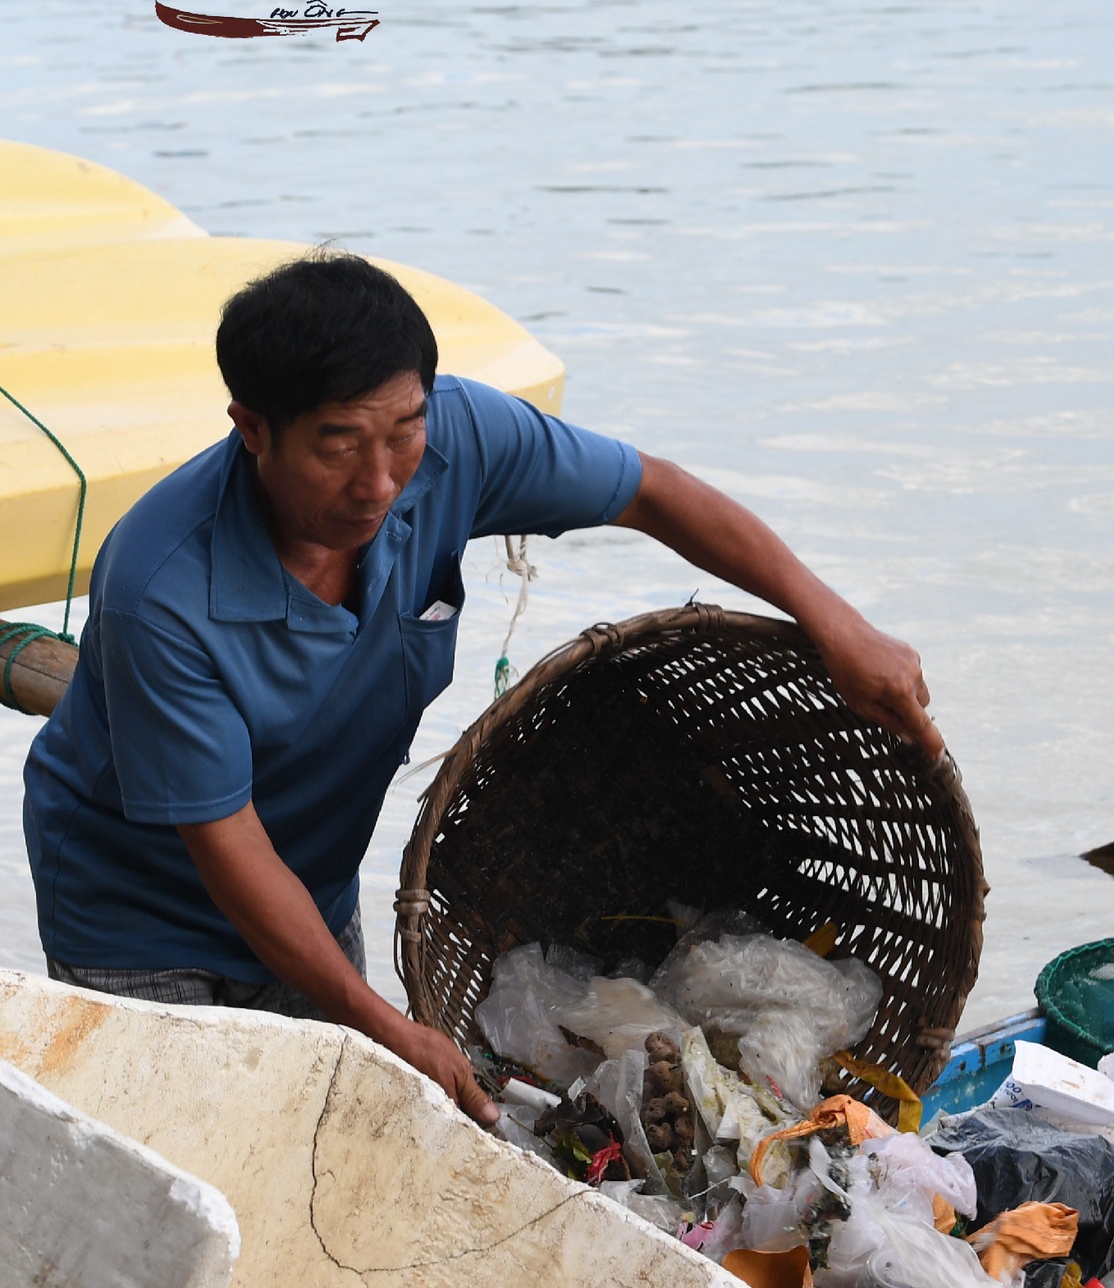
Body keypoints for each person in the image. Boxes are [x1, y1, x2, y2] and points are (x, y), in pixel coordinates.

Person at [23, 252, 941, 1125]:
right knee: (194, 1158)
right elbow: (226, 845)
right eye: (338, 445)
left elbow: (652, 492)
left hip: (313, 876)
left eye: (403, 430)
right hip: (135, 911)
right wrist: (378, 1019)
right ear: (252, 428)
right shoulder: (162, 589)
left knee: (332, 1148)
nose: (380, 481)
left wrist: (835, 620)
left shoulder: (458, 437)